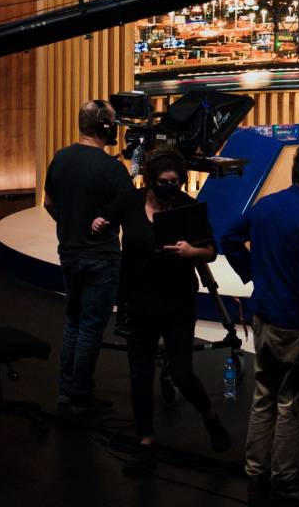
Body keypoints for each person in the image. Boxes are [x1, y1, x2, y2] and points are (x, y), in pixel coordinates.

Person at [92, 148, 231, 475]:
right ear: (151, 181)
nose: (170, 186)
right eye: (164, 182)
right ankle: (145, 443)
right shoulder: (130, 201)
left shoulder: (187, 207)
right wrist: (99, 222)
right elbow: (107, 218)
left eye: (175, 181)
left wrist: (189, 251)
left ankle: (210, 418)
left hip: (177, 302)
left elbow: (210, 251)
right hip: (139, 301)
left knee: (182, 372)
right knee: (140, 374)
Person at [221, 143, 299, 506]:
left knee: (263, 397)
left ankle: (255, 475)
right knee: (292, 404)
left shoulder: (266, 205)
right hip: (293, 326)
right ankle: (284, 479)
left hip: (263, 318)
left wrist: (252, 273)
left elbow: (229, 238)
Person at [43, 99, 134, 415]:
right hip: (101, 258)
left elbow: (49, 203)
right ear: (105, 127)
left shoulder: (60, 158)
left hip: (68, 254)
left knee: (74, 322)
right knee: (92, 328)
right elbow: (129, 211)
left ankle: (66, 390)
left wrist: (72, 226)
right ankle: (80, 394)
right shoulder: (112, 168)